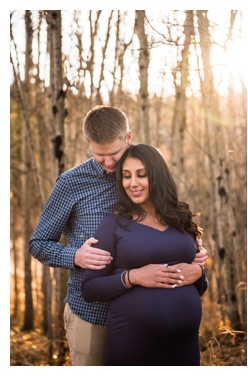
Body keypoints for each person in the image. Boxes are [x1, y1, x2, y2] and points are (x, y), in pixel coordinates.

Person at [29, 105, 207, 365]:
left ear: (128, 137)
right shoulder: (71, 183)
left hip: (148, 328)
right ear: (88, 144)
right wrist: (75, 256)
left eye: (114, 153)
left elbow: (169, 225)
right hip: (91, 314)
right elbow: (38, 244)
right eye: (100, 155)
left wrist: (194, 252)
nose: (109, 163)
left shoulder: (144, 172)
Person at [82, 144, 207, 365]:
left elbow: (199, 286)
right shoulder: (113, 225)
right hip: (133, 346)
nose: (133, 183)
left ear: (157, 175)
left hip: (184, 348)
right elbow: (90, 288)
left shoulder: (180, 219)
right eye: (126, 176)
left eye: (142, 175)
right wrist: (134, 277)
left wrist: (199, 272)